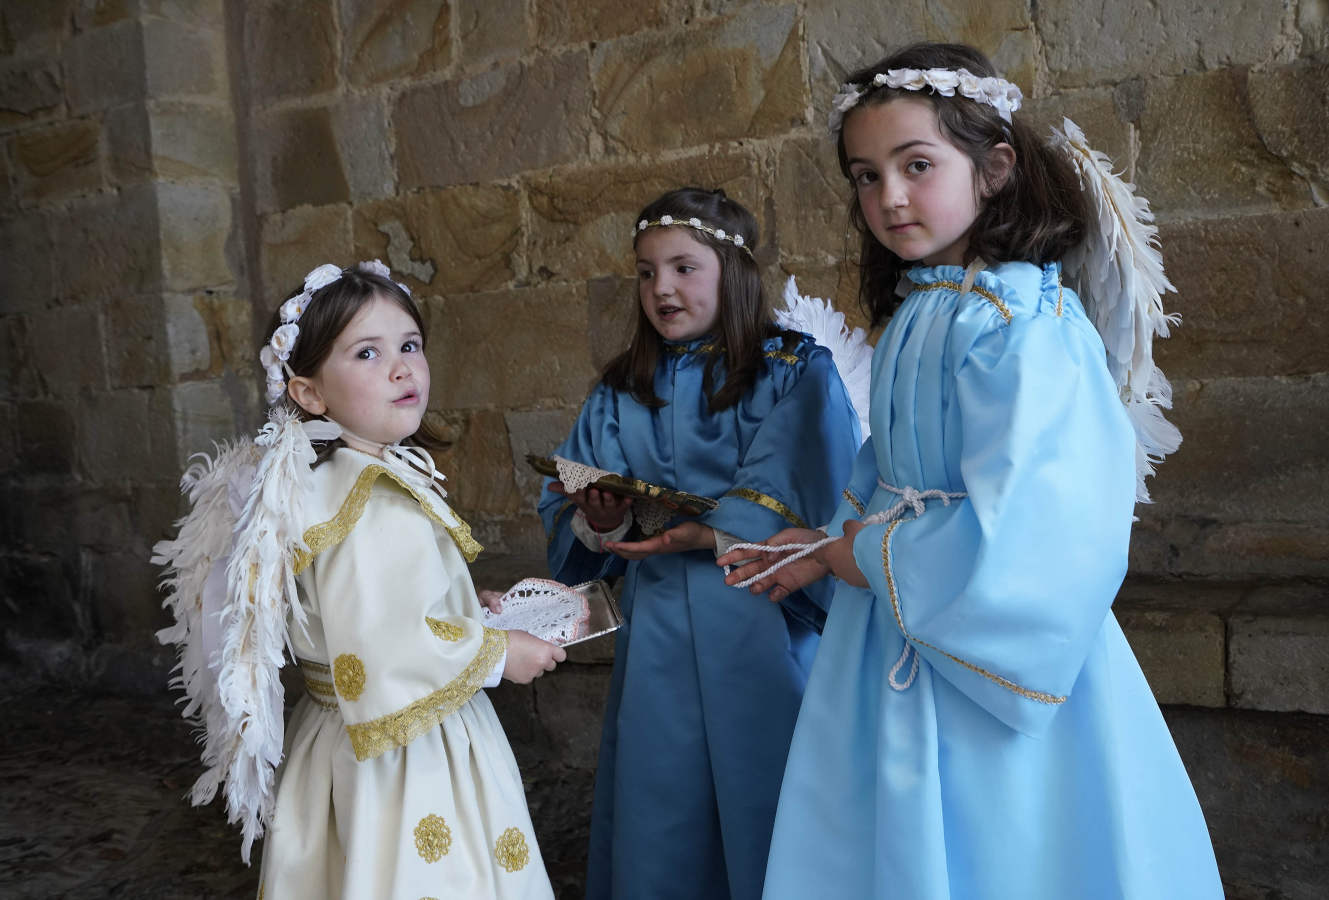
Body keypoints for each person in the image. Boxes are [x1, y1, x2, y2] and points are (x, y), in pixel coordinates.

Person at [720, 43, 1223, 900]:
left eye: (917, 165)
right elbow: (892, 463)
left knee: (1010, 850)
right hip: (898, 625)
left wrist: (862, 556)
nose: (889, 197)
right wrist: (826, 544)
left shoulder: (1027, 328)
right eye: (865, 176)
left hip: (988, 645)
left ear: (993, 168)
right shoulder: (929, 310)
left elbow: (1042, 521)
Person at [154, 261, 560, 899]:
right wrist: (499, 652)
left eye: (410, 346)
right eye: (367, 353)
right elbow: (382, 647)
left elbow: (376, 608)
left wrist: (466, 610)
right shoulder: (366, 497)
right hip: (404, 755)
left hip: (334, 737)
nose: (402, 367)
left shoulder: (336, 482)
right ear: (309, 393)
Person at [537, 188, 860, 900]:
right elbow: (569, 510)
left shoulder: (795, 371)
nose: (662, 289)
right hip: (657, 640)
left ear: (733, 271)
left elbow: (808, 488)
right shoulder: (622, 388)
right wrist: (604, 514)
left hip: (763, 621)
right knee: (663, 814)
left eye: (684, 267)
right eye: (647, 272)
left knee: (772, 805)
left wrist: (703, 529)